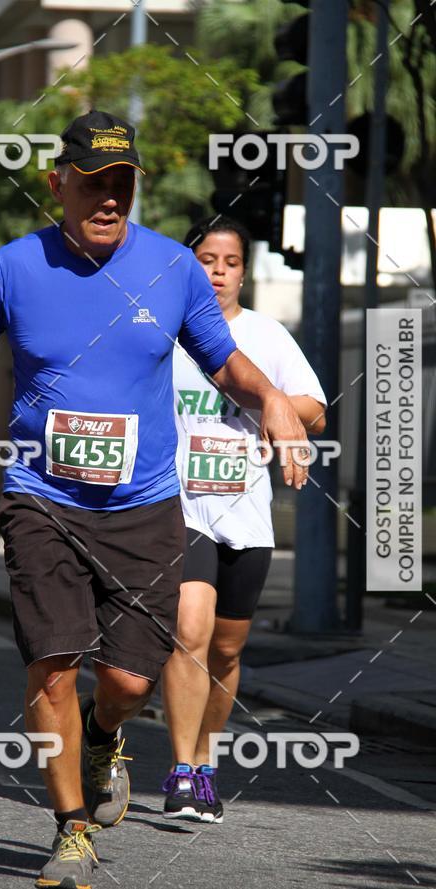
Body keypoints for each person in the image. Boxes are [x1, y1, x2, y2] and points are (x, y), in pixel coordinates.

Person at [0, 112, 309, 889]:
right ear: (58, 184)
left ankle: (101, 732)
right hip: (41, 499)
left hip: (145, 506)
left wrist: (274, 400)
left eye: (122, 182)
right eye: (93, 182)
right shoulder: (12, 269)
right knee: (53, 666)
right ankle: (71, 827)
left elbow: (225, 363)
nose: (110, 197)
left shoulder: (172, 268)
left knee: (129, 683)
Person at [161, 215, 327, 824]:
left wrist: (273, 407)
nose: (219, 272)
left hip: (247, 513)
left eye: (230, 263)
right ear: (188, 265)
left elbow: (317, 410)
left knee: (227, 651)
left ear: (244, 272)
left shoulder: (267, 335)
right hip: (181, 506)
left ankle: (205, 763)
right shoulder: (166, 331)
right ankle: (181, 771)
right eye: (207, 260)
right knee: (189, 631)